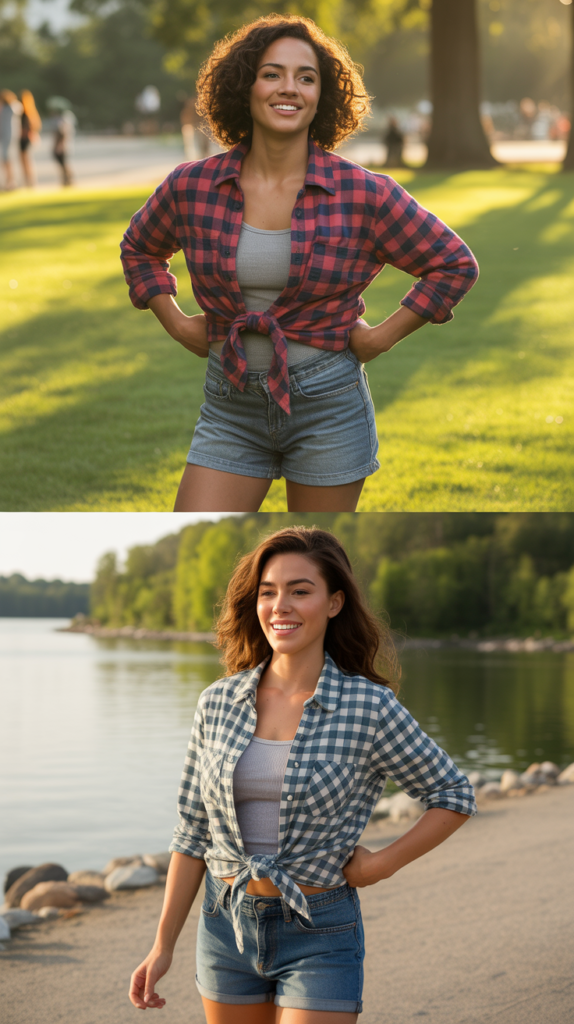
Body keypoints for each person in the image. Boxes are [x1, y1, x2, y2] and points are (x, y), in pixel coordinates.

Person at [121, 15, 479, 514]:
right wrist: (175, 321)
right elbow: (139, 246)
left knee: (316, 551)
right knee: (196, 526)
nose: (289, 88)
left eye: (306, 78)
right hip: (230, 404)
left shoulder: (363, 192)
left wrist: (380, 338)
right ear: (245, 87)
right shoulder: (192, 184)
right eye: (272, 74)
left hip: (328, 405)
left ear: (321, 96)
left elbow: (453, 263)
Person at [129, 526, 476, 1022]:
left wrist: (380, 866)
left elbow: (453, 794)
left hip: (321, 931)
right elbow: (192, 832)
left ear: (334, 603)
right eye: (268, 592)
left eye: (300, 591)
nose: (280, 606)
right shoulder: (217, 703)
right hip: (224, 927)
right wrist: (162, 946)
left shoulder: (368, 706)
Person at [19, 89, 42, 187]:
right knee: (27, 160)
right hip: (27, 139)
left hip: (25, 139)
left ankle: (29, 181)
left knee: (26, 161)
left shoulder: (24, 113)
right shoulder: (31, 112)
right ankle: (29, 180)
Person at [0, 89, 17, 190]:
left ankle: (10, 181)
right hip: (5, 136)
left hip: (7, 136)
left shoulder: (9, 109)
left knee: (6, 159)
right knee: (5, 159)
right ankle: (9, 181)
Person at [53, 108, 75, 186]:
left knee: (63, 165)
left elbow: (62, 134)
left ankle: (68, 180)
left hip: (62, 146)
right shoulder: (66, 120)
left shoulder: (62, 121)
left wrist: (59, 146)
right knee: (64, 164)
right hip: (64, 146)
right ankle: (66, 180)